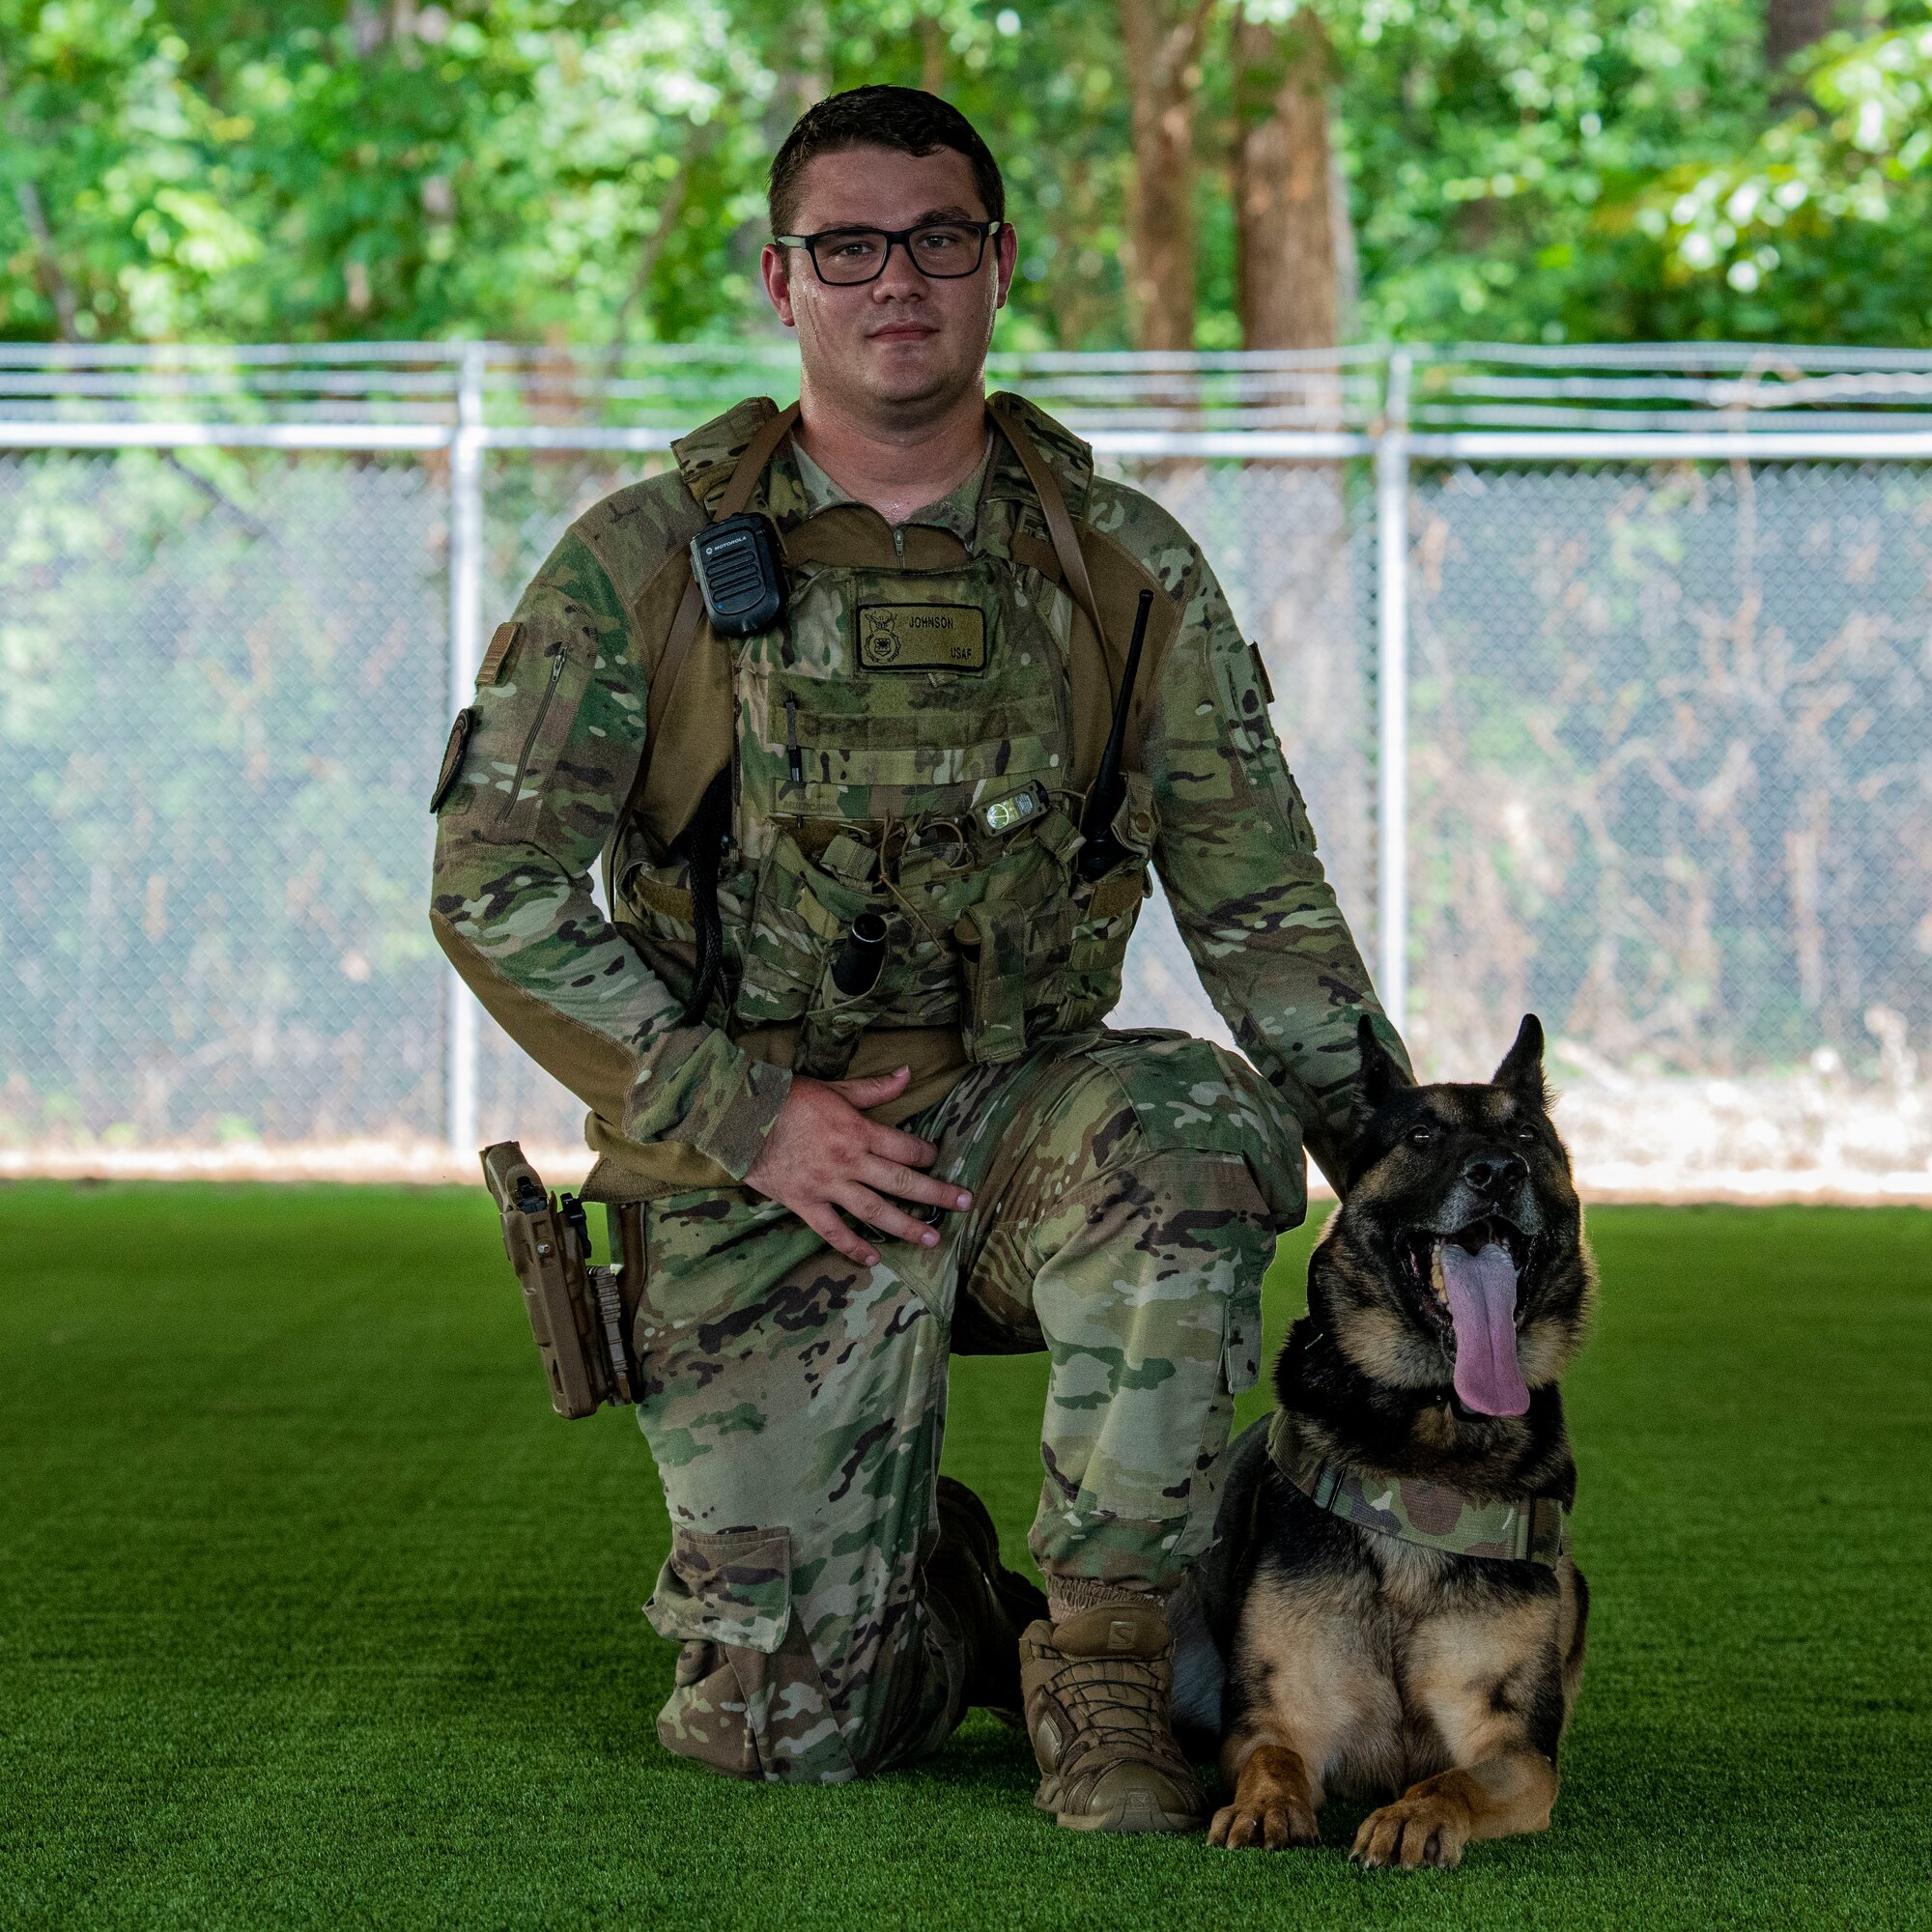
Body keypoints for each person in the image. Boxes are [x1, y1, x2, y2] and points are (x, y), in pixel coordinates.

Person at [430, 84, 1407, 1832]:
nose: (901, 281)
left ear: (1000, 264)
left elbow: (1263, 917)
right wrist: (750, 1115)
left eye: (940, 240)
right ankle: (940, 1609)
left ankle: (1106, 1660)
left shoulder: (1121, 566)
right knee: (784, 1734)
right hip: (752, 1161)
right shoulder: (644, 566)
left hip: (1024, 1134)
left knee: (1188, 1134)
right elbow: (491, 881)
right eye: (852, 246)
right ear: (780, 277)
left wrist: (1410, 1186)